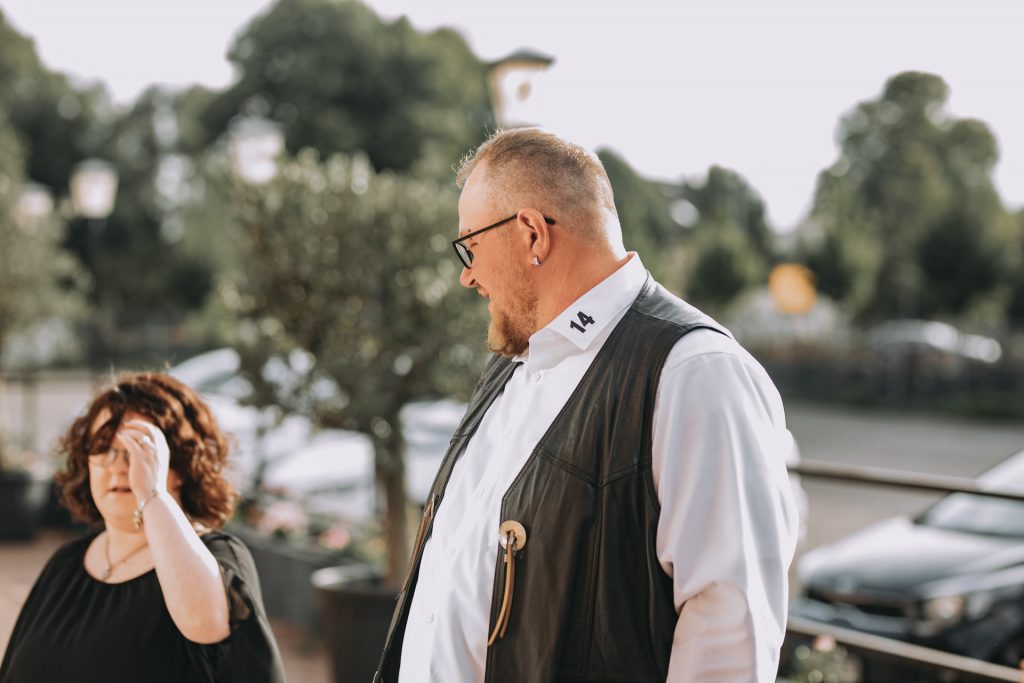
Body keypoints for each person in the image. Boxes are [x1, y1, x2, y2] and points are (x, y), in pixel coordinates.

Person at [375, 128, 801, 683]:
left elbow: (729, 635)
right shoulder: (515, 361)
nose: (467, 275)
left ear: (532, 233)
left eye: (470, 246)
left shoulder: (695, 371)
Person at [0, 372, 285, 683]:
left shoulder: (218, 557)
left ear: (182, 465)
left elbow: (205, 623)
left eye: (139, 449)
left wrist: (152, 491)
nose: (119, 466)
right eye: (103, 447)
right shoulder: (66, 564)